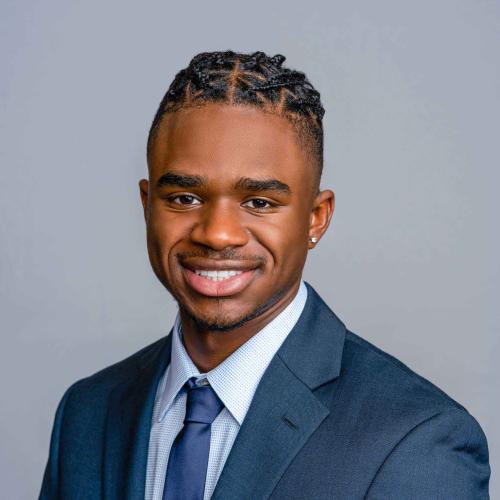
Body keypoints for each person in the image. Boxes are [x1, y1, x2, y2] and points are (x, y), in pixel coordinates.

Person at [39, 50, 490, 500]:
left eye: (259, 203)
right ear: (147, 205)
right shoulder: (87, 413)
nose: (217, 235)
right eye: (184, 198)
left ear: (316, 218)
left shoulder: (417, 442)